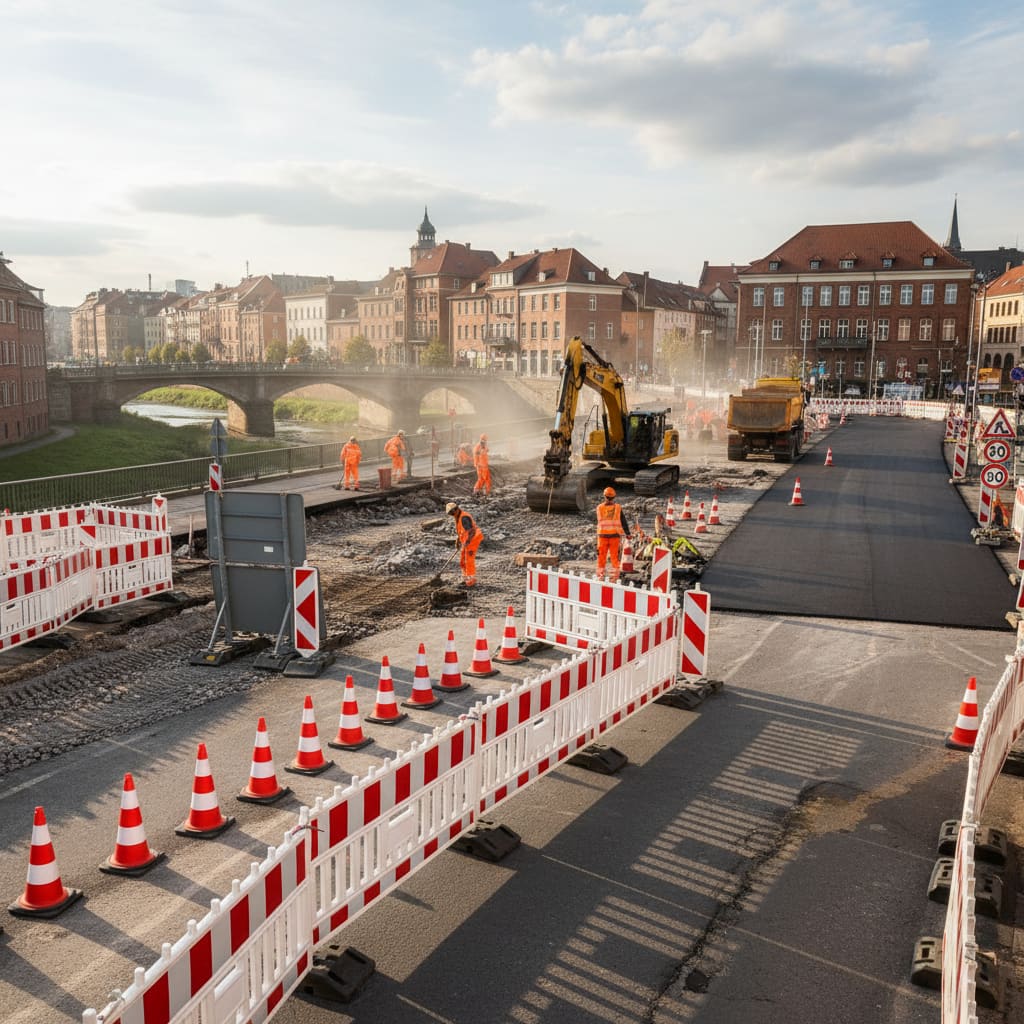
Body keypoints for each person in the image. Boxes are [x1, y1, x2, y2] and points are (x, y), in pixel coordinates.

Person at [595, 486, 630, 582]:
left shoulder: (599, 508)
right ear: (614, 497)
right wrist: (627, 533)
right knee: (615, 558)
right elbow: (623, 521)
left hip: (602, 536)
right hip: (615, 536)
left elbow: (598, 521)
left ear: (604, 496)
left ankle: (600, 576)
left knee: (601, 557)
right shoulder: (618, 508)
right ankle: (615, 577)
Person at [445, 500, 484, 587]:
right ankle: (465, 577)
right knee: (462, 559)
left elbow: (472, 531)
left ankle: (471, 579)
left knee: (468, 559)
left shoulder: (464, 518)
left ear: (456, 510)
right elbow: (462, 531)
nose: (452, 515)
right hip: (466, 540)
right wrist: (458, 539)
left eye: (452, 513)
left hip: (473, 540)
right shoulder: (458, 517)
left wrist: (467, 542)